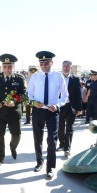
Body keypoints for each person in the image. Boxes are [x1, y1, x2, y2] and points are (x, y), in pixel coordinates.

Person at [27, 51, 68, 179]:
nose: (44, 65)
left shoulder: (58, 77)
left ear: (51, 63)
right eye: (41, 63)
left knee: (51, 139)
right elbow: (29, 95)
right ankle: (39, 162)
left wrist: (58, 105)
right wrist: (34, 103)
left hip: (52, 111)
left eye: (46, 63)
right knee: (37, 138)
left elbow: (65, 96)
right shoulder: (35, 77)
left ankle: (50, 168)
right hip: (39, 111)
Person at [0, 54, 26, 168]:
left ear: (13, 67)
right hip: (0, 113)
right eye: (5, 67)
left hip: (14, 112)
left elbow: (23, 94)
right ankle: (0, 158)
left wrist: (14, 102)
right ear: (2, 67)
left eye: (9, 67)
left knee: (17, 135)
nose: (7, 70)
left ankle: (13, 147)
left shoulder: (19, 79)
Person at [57, 60, 82, 158]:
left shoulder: (75, 79)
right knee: (60, 127)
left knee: (69, 128)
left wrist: (79, 108)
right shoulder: (58, 78)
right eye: (64, 66)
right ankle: (62, 144)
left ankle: (67, 148)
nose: (65, 68)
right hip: (59, 106)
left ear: (71, 68)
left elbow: (78, 94)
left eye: (67, 66)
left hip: (71, 106)